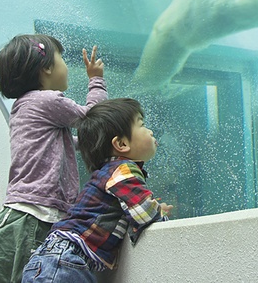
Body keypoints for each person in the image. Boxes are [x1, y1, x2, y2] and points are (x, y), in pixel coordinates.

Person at [0, 34, 108, 283]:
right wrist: (96, 80)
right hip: (34, 216)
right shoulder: (46, 100)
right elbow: (93, 120)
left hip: (28, 214)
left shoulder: (25, 105)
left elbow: (65, 145)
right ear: (47, 67)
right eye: (60, 58)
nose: (65, 65)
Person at [22, 98, 173, 283]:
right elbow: (145, 214)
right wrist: (159, 214)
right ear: (122, 144)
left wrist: (153, 207)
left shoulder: (106, 174)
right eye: (142, 125)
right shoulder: (123, 169)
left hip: (53, 258)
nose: (150, 131)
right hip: (64, 261)